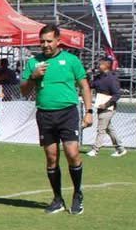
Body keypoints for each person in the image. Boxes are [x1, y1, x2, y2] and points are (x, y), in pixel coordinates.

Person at [20, 25, 94, 215]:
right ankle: (58, 199)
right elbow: (24, 90)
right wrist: (34, 77)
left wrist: (89, 111)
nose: (45, 45)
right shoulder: (33, 63)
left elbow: (84, 86)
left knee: (72, 153)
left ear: (58, 41)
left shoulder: (71, 60)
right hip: (45, 114)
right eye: (42, 41)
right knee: (52, 157)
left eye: (49, 41)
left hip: (68, 113)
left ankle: (77, 194)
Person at [88, 56, 126, 158]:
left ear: (107, 66)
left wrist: (107, 104)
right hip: (100, 107)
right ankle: (120, 149)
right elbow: (90, 85)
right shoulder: (98, 77)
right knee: (109, 129)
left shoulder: (112, 79)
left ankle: (95, 150)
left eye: (100, 64)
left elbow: (117, 94)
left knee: (101, 128)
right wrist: (87, 75)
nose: (98, 66)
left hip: (108, 108)